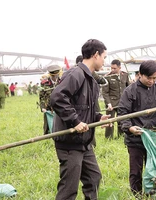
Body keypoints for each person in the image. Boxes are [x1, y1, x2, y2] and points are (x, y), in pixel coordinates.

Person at [50, 39, 111, 200]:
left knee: (93, 178)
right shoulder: (75, 74)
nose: (105, 61)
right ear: (96, 55)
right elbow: (57, 98)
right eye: (104, 57)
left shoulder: (92, 79)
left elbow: (85, 108)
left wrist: (99, 117)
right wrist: (75, 122)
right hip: (70, 142)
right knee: (69, 189)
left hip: (84, 142)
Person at [118, 60, 156, 196]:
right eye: (148, 78)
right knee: (136, 171)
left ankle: (153, 194)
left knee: (155, 169)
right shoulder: (130, 91)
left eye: (154, 78)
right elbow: (122, 113)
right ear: (140, 75)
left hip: (154, 138)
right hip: (136, 139)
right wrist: (129, 128)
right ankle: (137, 196)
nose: (151, 81)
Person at [102, 59, 130, 139]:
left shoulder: (125, 75)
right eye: (111, 68)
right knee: (109, 121)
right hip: (111, 102)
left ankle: (120, 136)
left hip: (122, 103)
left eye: (114, 68)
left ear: (119, 67)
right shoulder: (107, 77)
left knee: (121, 120)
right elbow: (105, 92)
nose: (113, 70)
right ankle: (108, 138)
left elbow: (128, 88)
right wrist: (108, 103)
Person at [39, 65, 62, 135]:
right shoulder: (44, 84)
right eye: (53, 76)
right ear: (50, 75)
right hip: (48, 108)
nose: (55, 78)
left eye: (56, 75)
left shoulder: (62, 82)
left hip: (59, 107)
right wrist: (43, 107)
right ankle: (46, 140)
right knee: (47, 126)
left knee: (60, 125)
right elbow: (41, 97)